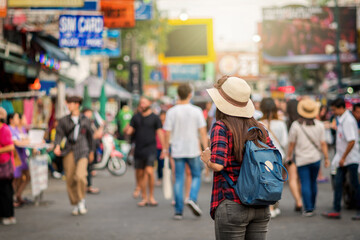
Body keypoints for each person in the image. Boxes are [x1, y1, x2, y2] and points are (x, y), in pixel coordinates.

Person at [201, 76, 271, 239]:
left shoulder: (221, 127)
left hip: (233, 201)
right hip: (261, 203)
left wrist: (206, 159)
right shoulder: (259, 128)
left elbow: (218, 164)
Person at [163, 83, 208, 220]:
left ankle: (178, 211)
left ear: (178, 94)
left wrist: (165, 149)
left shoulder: (171, 111)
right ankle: (192, 198)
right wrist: (206, 148)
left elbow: (167, 132)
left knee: (178, 179)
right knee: (196, 174)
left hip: (177, 149)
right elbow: (202, 131)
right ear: (190, 94)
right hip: (193, 148)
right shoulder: (196, 111)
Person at [287, 98, 329, 217]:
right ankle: (313, 206)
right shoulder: (320, 125)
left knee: (305, 182)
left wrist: (289, 156)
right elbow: (323, 143)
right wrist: (326, 158)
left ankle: (308, 208)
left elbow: (291, 144)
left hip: (301, 159)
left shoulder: (296, 125)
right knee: (313, 182)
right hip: (316, 158)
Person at [54, 96, 94, 216]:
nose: (69, 105)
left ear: (77, 104)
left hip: (83, 149)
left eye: (71, 103)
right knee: (70, 178)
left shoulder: (85, 120)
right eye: (68, 103)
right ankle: (75, 202)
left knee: (80, 176)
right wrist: (56, 146)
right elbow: (59, 135)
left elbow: (90, 137)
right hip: (69, 150)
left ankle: (81, 200)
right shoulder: (64, 120)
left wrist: (92, 151)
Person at [322, 98, 360, 220]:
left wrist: (343, 157)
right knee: (338, 183)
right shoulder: (341, 119)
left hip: (350, 158)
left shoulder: (348, 120)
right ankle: (336, 209)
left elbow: (352, 141)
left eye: (334, 109)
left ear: (341, 108)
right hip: (342, 158)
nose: (333, 112)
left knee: (355, 185)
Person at [125, 97, 165, 207]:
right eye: (140, 103)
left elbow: (160, 133)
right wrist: (128, 129)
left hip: (151, 148)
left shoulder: (155, 118)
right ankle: (144, 197)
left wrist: (164, 148)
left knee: (149, 171)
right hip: (139, 149)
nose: (142, 104)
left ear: (149, 103)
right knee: (141, 173)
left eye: (144, 102)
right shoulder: (135, 117)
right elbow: (130, 131)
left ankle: (151, 196)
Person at [259, 97, 288, 218]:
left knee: (265, 181)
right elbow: (285, 142)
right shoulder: (281, 123)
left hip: (262, 156)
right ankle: (274, 205)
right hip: (278, 156)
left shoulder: (259, 123)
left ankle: (268, 206)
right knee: (276, 181)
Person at [8, 113, 30, 207]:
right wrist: (27, 141)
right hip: (15, 157)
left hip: (22, 157)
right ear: (11, 120)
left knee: (25, 177)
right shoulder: (10, 129)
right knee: (14, 179)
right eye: (17, 117)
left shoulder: (17, 130)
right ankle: (12, 199)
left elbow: (23, 140)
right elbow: (18, 143)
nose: (19, 119)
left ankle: (18, 195)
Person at [285, 99, 303, 212]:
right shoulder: (303, 121)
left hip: (292, 154)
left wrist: (288, 155)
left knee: (293, 178)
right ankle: (300, 198)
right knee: (301, 179)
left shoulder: (287, 123)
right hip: (303, 153)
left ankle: (298, 201)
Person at [0, 107, 16, 225]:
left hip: (5, 165)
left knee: (6, 191)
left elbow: (11, 146)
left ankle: (9, 215)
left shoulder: (4, 129)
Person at [82, 107, 101, 195]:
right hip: (85, 148)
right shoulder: (84, 122)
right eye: (88, 112)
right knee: (86, 168)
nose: (90, 114)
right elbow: (90, 137)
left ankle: (88, 186)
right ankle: (87, 186)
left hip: (91, 147)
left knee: (89, 168)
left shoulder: (91, 122)